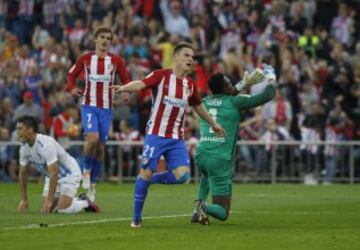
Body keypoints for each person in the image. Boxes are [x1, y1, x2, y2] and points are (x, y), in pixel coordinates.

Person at [111, 42, 226, 228]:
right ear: (176, 57)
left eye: (192, 57)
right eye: (187, 55)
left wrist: (213, 124)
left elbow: (197, 105)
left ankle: (148, 179)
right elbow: (141, 84)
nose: (191, 59)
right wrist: (124, 88)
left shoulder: (190, 84)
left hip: (176, 138)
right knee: (147, 171)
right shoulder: (160, 76)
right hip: (156, 135)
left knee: (183, 176)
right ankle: (136, 219)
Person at [191, 64, 277, 225]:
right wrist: (271, 77)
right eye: (229, 83)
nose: (233, 84)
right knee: (223, 212)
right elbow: (267, 95)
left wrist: (243, 84)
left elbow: (226, 94)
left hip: (201, 153)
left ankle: (198, 208)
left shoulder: (204, 101)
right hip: (220, 159)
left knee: (206, 175)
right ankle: (202, 206)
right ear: (225, 88)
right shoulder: (235, 102)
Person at [66, 26, 130, 201]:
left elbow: (125, 79)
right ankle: (86, 172)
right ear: (95, 39)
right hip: (89, 105)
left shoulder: (116, 61)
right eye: (102, 37)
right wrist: (71, 88)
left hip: (107, 108)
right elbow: (70, 76)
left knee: (101, 147)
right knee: (92, 139)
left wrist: (125, 90)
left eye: (108, 38)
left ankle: (93, 184)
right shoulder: (85, 59)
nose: (105, 41)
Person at [16, 116, 100, 214]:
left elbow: (54, 173)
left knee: (63, 210)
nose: (18, 132)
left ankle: (85, 202)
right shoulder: (23, 149)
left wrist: (49, 200)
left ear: (30, 129)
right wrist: (24, 200)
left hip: (69, 174)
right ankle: (65, 201)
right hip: (51, 176)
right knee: (47, 210)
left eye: (20, 129)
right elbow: (22, 174)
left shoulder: (46, 144)